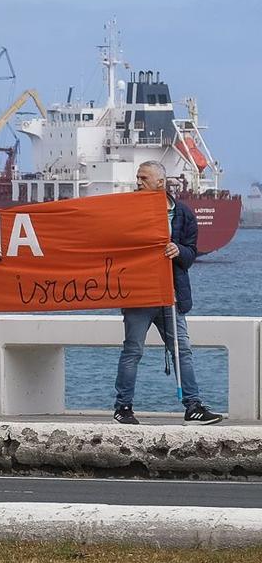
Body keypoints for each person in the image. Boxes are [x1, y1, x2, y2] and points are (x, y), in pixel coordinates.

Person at [115, 160, 222, 425]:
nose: (138, 181)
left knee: (182, 350)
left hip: (171, 296)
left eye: (143, 177)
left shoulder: (184, 214)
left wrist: (178, 250)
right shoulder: (126, 211)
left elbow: (190, 253)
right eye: (137, 177)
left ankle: (193, 406)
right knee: (133, 350)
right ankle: (123, 407)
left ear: (160, 182)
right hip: (139, 294)